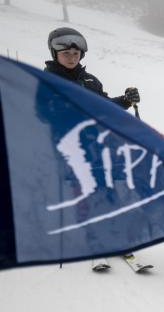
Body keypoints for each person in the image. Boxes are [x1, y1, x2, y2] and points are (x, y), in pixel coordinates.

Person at [45, 27, 142, 272]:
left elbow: (105, 107)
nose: (71, 56)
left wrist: (126, 100)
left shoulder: (90, 81)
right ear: (55, 54)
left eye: (75, 52)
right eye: (66, 52)